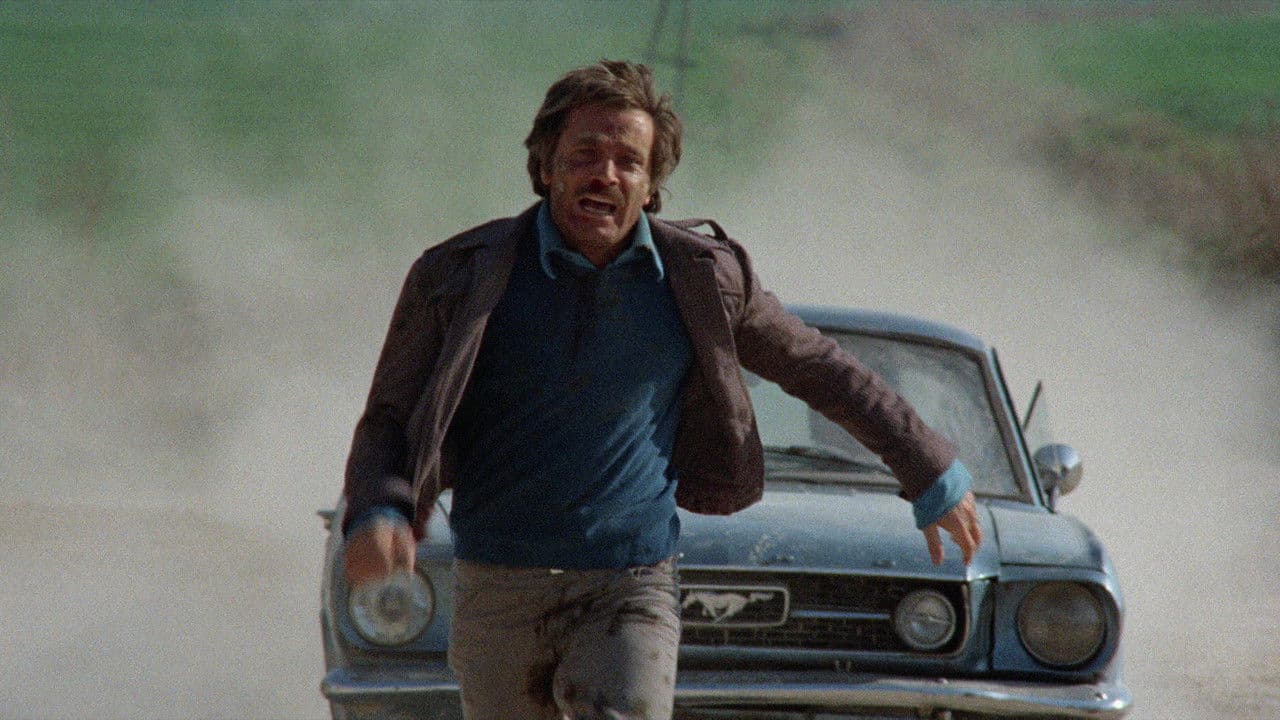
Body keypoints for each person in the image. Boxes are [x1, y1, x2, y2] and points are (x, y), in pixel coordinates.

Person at [341, 59, 982, 720]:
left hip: (630, 587)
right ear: (546, 166)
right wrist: (379, 509)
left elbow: (820, 368)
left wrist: (928, 465)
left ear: (651, 187)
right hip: (496, 585)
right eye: (585, 155)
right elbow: (390, 415)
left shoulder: (703, 279)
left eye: (629, 161)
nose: (606, 174)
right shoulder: (460, 275)